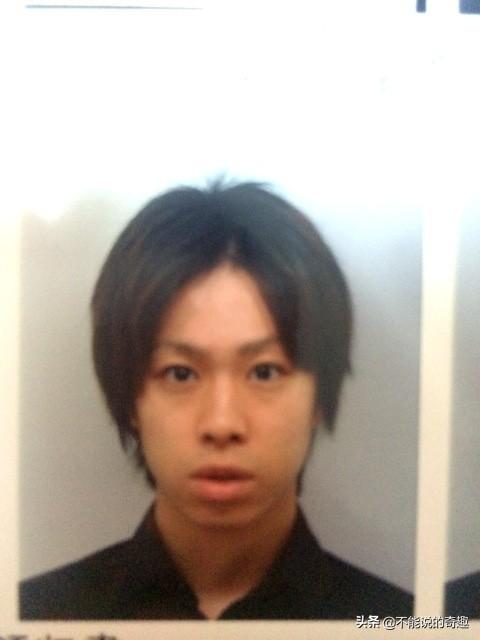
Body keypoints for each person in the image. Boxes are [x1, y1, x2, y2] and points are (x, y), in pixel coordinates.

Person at [20, 180, 413, 620]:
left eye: (265, 372)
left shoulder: (407, 622)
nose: (222, 423)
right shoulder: (35, 617)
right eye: (180, 373)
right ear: (129, 398)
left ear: (319, 395)